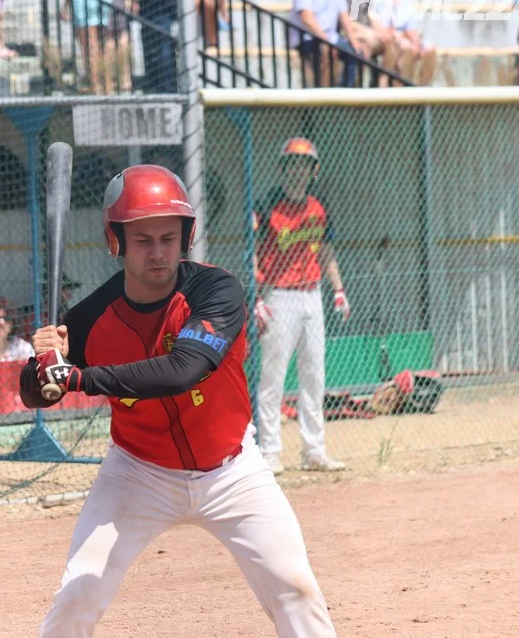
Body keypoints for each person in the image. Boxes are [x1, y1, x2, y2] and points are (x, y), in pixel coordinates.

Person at [19, 164, 337, 637]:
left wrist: (78, 377)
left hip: (231, 470)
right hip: (137, 473)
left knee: (296, 588)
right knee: (78, 594)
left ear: (186, 236)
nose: (158, 252)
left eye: (169, 237)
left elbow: (185, 369)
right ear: (117, 242)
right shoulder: (88, 318)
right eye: (143, 240)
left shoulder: (216, 290)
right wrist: (41, 363)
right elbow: (34, 394)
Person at [254, 138, 348, 474]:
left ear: (313, 170)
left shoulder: (317, 206)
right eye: (292, 163)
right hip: (278, 295)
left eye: (305, 164)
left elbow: (325, 250)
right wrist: (256, 296)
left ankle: (314, 450)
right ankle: (269, 451)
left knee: (314, 375)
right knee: (273, 376)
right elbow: (252, 251)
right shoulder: (267, 205)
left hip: (312, 294)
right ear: (283, 168)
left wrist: (338, 290)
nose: (298, 170)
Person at [291, 0, 369, 87]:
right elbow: (307, 18)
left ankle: (345, 97)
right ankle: (324, 99)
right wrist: (326, 41)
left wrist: (354, 42)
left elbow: (343, 15)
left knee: (354, 53)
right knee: (325, 52)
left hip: (330, 38)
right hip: (307, 39)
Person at [367, 0, 437, 85]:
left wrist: (417, 43)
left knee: (430, 49)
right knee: (406, 47)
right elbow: (384, 27)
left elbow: (411, 25)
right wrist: (408, 39)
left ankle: (421, 90)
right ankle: (400, 91)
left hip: (407, 36)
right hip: (393, 37)